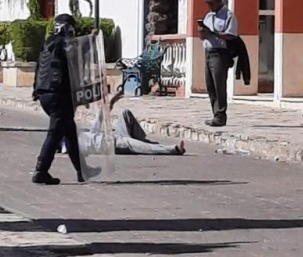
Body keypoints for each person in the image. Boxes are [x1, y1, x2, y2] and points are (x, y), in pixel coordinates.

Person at [31, 13, 84, 185]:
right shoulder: (65, 44)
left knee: (69, 131)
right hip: (58, 94)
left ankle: (81, 170)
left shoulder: (48, 43)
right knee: (55, 133)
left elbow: (39, 67)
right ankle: (41, 170)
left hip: (44, 93)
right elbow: (74, 66)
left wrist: (35, 90)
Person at [79, 89, 186, 156]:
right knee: (148, 148)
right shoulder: (73, 145)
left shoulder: (82, 134)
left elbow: (96, 127)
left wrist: (109, 105)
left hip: (116, 135)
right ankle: (174, 149)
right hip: (117, 144)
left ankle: (141, 141)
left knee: (125, 114)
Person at [199, 0, 238, 127]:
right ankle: (215, 113)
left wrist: (214, 33)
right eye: (208, 3)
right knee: (210, 85)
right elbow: (202, 37)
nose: (209, 6)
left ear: (219, 1)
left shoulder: (228, 15)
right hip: (208, 51)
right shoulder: (208, 16)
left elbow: (231, 35)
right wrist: (202, 32)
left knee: (219, 84)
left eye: (212, 3)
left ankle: (221, 115)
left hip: (220, 53)